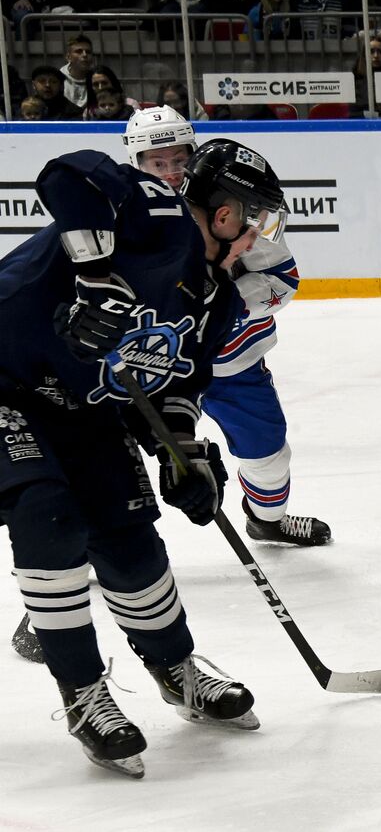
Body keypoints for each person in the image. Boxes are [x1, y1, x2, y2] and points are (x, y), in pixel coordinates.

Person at [0, 137, 287, 777]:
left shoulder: (213, 299)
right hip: (5, 384)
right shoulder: (151, 208)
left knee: (129, 534)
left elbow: (178, 385)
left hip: (83, 406)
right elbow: (67, 174)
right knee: (49, 514)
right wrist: (93, 276)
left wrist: (182, 452)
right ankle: (81, 692)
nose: (258, 237)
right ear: (223, 213)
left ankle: (174, 667)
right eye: (256, 218)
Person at [123, 106, 331, 547]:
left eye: (178, 161)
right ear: (136, 164)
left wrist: (223, 306)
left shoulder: (232, 204)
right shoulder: (125, 216)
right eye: (156, 164)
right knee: (112, 462)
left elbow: (281, 282)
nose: (170, 173)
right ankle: (93, 543)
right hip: (150, 368)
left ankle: (267, 520)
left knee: (269, 453)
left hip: (231, 361)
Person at [60, 34, 95, 110]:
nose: (85, 55)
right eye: (79, 51)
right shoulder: (57, 80)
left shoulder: (98, 79)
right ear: (68, 57)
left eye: (88, 52)